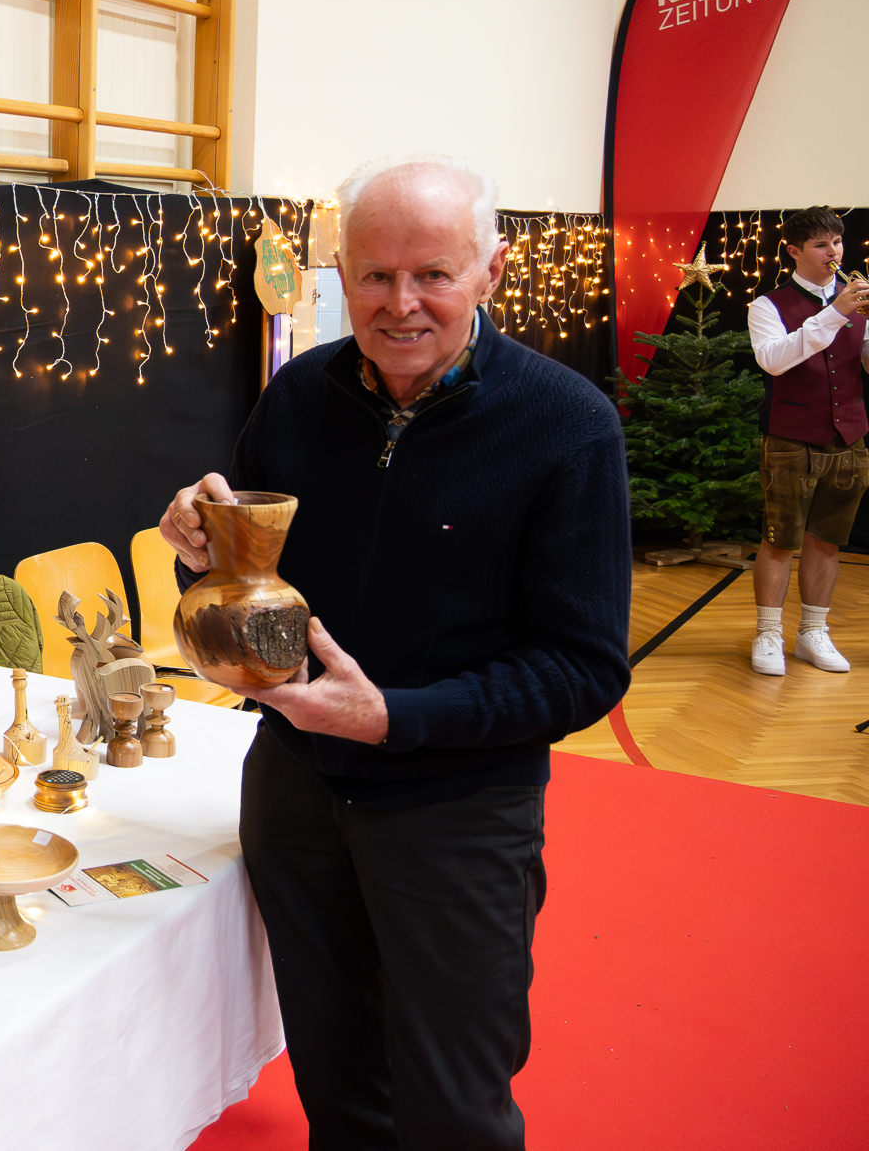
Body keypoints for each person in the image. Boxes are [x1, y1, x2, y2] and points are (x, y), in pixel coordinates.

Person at [158, 155, 630, 1151]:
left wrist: (392, 719)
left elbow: (582, 667)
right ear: (339, 272)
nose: (399, 302)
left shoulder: (565, 426)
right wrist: (201, 554)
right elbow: (245, 597)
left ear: (491, 272)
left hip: (455, 811)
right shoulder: (297, 397)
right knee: (337, 1088)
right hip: (293, 791)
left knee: (455, 1109)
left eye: (432, 275)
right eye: (374, 274)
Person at [745, 206, 867, 675]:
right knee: (779, 540)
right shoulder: (767, 305)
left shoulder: (856, 298)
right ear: (794, 251)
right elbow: (774, 360)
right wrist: (835, 314)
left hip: (849, 434)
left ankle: (812, 632)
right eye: (820, 245)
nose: (832, 252)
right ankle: (768, 634)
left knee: (828, 540)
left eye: (836, 242)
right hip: (790, 436)